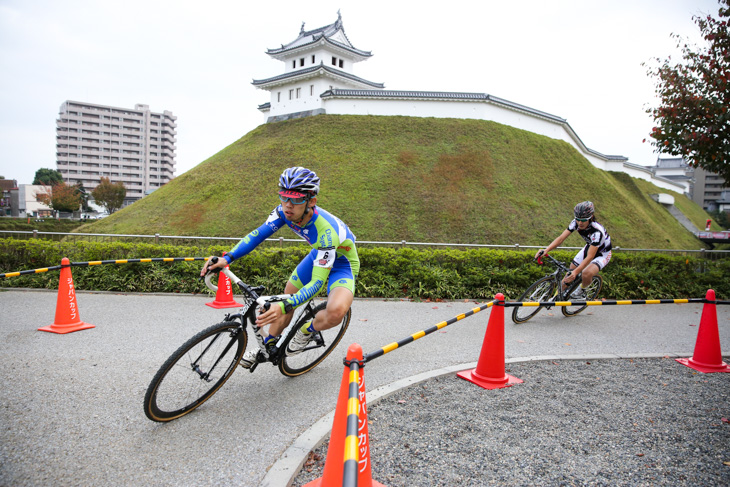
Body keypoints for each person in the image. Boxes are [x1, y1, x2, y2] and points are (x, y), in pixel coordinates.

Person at [201, 166, 359, 367]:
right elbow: (257, 235)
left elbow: (317, 283)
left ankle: (306, 332)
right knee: (288, 296)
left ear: (311, 201)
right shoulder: (283, 211)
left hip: (342, 264)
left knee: (336, 311)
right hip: (317, 255)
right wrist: (228, 257)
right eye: (284, 197)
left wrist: (285, 305)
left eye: (296, 199)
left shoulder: (327, 232)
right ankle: (267, 345)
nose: (288, 205)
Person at [535, 201, 612, 299]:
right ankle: (555, 297)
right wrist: (546, 250)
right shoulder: (575, 222)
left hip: (602, 254)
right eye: (578, 219)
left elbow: (590, 257)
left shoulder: (597, 232)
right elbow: (561, 238)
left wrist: (576, 272)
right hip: (589, 246)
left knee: (586, 273)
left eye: (583, 220)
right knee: (570, 272)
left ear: (591, 217)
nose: (580, 223)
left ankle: (581, 290)